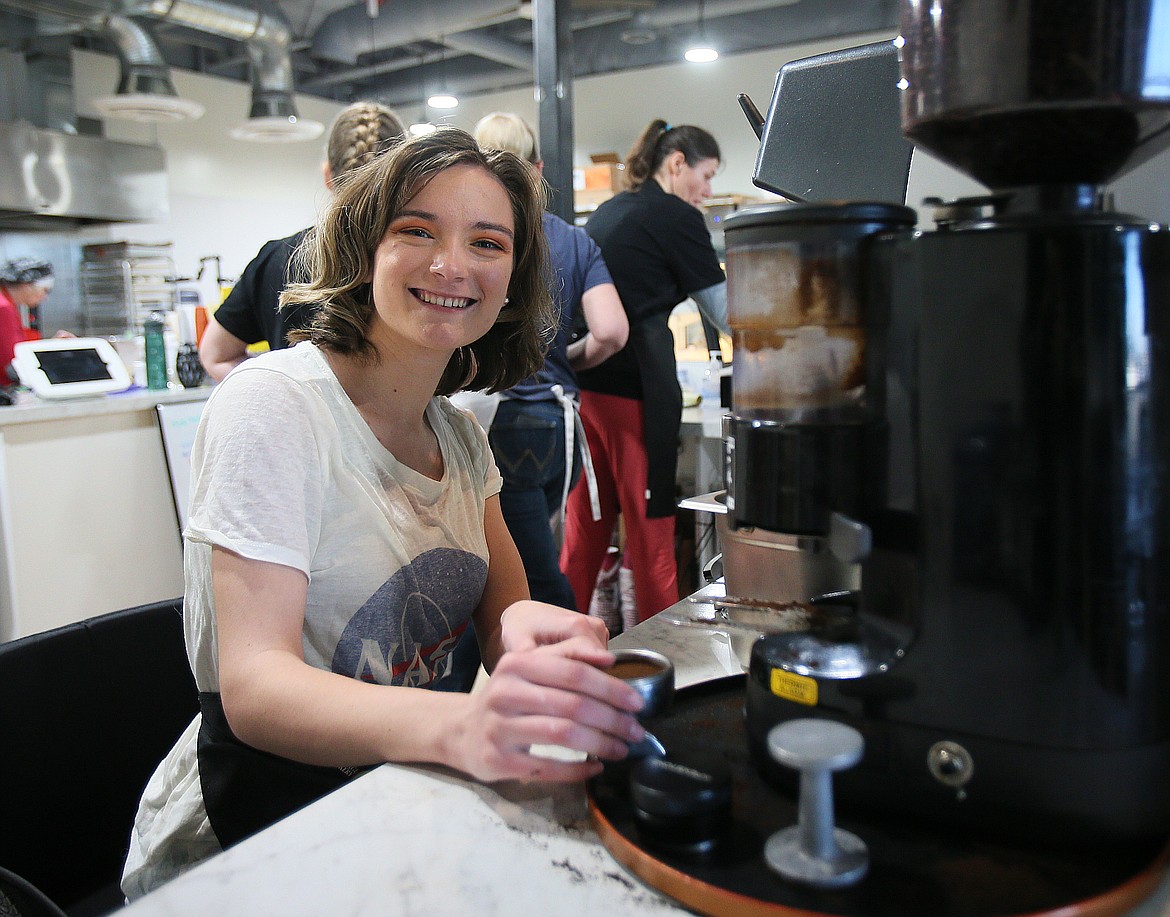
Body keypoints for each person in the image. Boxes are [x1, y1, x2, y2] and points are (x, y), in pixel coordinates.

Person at [121, 127, 647, 898]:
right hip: (254, 840)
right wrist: (463, 727)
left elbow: (505, 617)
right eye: (417, 230)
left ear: (514, 279)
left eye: (487, 242)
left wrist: (527, 632)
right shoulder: (274, 405)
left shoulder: (460, 434)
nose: (452, 265)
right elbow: (258, 687)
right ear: (365, 248)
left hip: (397, 799)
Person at [560, 120, 728, 623]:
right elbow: (726, 312)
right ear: (677, 164)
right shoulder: (675, 215)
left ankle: (558, 650)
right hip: (636, 391)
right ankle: (667, 669)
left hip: (584, 389)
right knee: (652, 537)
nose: (709, 190)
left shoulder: (612, 209)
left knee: (585, 535)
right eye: (708, 174)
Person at [471, 111, 628, 610]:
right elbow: (611, 331)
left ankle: (575, 667)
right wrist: (566, 361)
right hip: (557, 424)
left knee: (516, 579)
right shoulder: (574, 240)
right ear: (537, 167)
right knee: (528, 566)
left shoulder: (474, 236)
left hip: (492, 418)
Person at [198, 101, 407, 381]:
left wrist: (282, 397)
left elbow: (215, 355)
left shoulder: (276, 258)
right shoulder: (416, 263)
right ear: (406, 179)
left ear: (327, 175)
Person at [0, 257, 53, 373]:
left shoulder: (6, 303)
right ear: (26, 285)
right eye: (45, 290)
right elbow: (13, 357)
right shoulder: (4, 308)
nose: (45, 297)